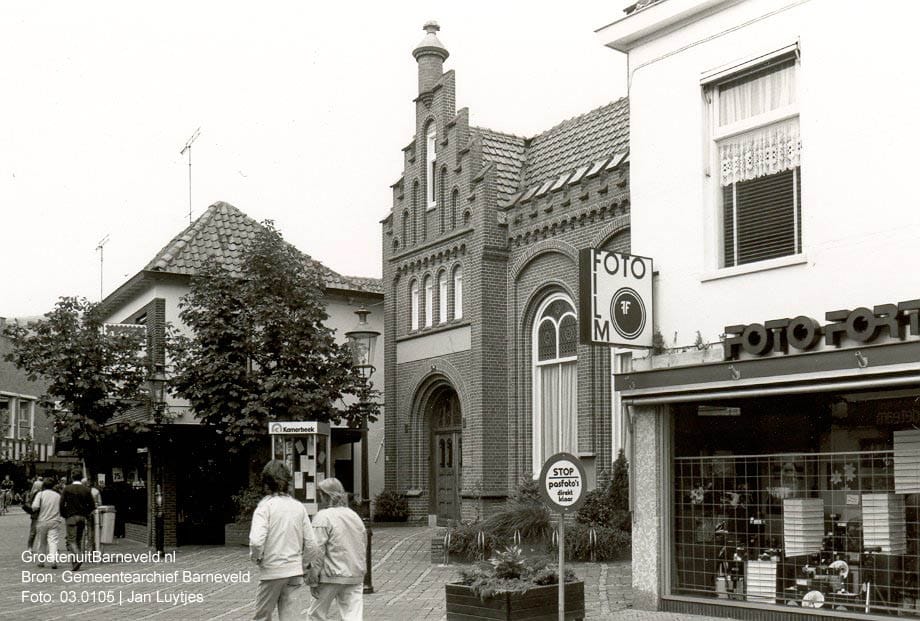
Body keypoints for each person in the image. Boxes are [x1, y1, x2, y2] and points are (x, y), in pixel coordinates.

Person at [249, 460, 322, 621]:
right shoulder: (298, 507)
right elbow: (312, 544)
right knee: (291, 617)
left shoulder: (264, 507)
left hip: (272, 570)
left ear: (266, 483)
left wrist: (256, 557)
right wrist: (305, 566)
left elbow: (256, 541)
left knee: (262, 616)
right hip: (294, 571)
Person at [306, 478, 367, 621]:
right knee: (353, 617)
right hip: (354, 574)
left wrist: (313, 579)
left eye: (320, 494)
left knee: (316, 615)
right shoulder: (354, 516)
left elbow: (317, 550)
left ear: (325, 495)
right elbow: (363, 544)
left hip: (330, 575)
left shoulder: (322, 517)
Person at [60, 469, 95, 571]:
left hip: (71, 517)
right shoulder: (86, 490)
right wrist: (85, 513)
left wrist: (65, 515)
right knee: (78, 540)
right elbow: (92, 505)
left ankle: (78, 557)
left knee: (71, 540)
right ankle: (75, 563)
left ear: (72, 477)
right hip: (82, 517)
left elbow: (61, 504)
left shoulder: (67, 489)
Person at [31, 478, 63, 569]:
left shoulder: (40, 494)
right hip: (55, 521)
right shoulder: (57, 496)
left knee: (42, 542)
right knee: (53, 541)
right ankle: (53, 560)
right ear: (53, 486)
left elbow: (35, 506)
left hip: (42, 520)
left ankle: (41, 561)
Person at [26, 476, 44, 550]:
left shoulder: (35, 493)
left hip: (36, 514)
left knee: (33, 532)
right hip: (39, 513)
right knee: (35, 532)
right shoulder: (36, 493)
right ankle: (32, 547)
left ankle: (30, 547)